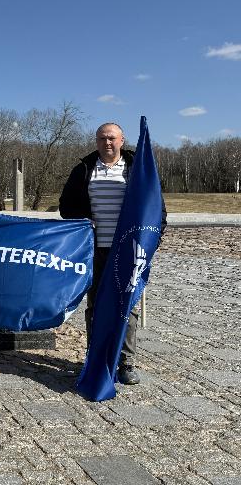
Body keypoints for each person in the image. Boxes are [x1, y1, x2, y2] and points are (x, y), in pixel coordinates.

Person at [59, 122, 166, 386]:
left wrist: (151, 241)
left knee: (127, 306)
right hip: (94, 251)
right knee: (95, 307)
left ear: (122, 140)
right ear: (96, 141)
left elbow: (157, 211)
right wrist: (84, 218)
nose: (107, 143)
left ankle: (126, 361)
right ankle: (95, 356)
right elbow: (65, 207)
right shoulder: (84, 169)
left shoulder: (136, 169)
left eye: (111, 138)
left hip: (128, 251)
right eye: (102, 138)